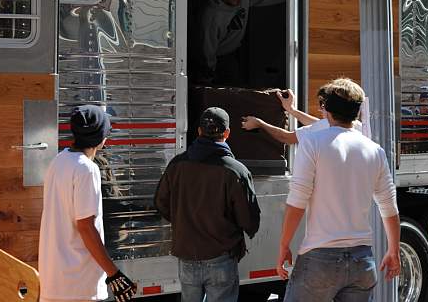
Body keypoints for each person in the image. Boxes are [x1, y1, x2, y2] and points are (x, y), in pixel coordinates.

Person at [275, 79, 401, 301]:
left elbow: (297, 201)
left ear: (327, 111)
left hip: (319, 259)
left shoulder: (313, 143)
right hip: (362, 261)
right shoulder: (375, 151)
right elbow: (389, 207)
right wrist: (393, 250)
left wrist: (284, 245)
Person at [154, 107, 261, 302]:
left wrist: (183, 221)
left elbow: (161, 203)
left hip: (186, 255)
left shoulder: (177, 164)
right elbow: (249, 219)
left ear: (199, 131)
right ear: (227, 133)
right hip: (221, 256)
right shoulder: (236, 171)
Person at [38, 105, 136, 302]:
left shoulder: (59, 160)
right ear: (101, 138)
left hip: (54, 280)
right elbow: (85, 226)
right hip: (78, 284)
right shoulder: (86, 169)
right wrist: (113, 273)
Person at [191, 0, 291, 84]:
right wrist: (207, 76)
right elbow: (206, 50)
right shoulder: (210, 15)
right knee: (218, 87)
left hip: (234, 51)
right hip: (217, 55)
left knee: (236, 84)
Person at [241, 81, 368, 144]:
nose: (320, 109)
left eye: (322, 105)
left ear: (330, 107)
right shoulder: (359, 128)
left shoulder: (321, 132)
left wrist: (259, 123)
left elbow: (287, 137)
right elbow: (319, 123)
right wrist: (292, 110)